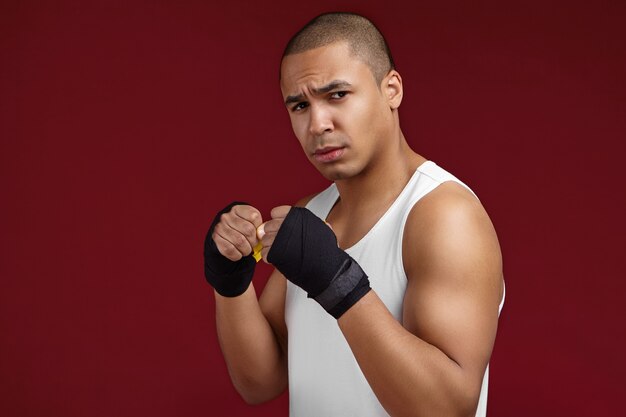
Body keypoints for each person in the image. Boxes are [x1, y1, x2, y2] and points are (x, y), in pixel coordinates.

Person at [203, 12, 505, 417]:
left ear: (391, 89)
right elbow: (260, 382)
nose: (318, 124)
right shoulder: (312, 212)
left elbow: (447, 409)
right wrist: (231, 281)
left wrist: (338, 283)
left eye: (337, 95)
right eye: (299, 105)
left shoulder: (443, 216)